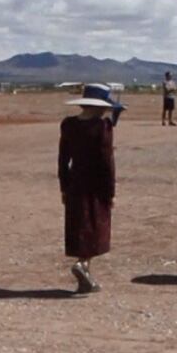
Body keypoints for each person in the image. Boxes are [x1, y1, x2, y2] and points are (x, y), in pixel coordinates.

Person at [59, 84, 121, 294]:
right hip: (95, 184)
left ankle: (85, 277)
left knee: (80, 227)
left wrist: (64, 187)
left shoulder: (69, 125)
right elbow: (106, 162)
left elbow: (63, 159)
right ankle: (82, 264)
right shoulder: (102, 127)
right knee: (94, 228)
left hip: (75, 181)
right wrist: (110, 191)